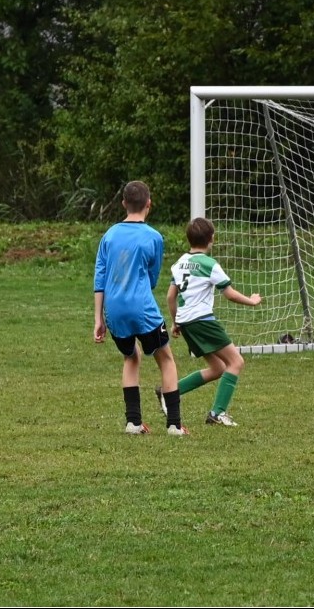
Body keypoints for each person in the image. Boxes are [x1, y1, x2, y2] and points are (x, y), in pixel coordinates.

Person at [93, 180, 188, 436]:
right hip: (142, 309)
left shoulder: (109, 235)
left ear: (124, 203)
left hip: (114, 312)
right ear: (149, 204)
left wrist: (98, 318)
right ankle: (174, 425)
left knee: (131, 357)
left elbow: (99, 278)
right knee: (166, 359)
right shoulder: (154, 237)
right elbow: (153, 276)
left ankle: (133, 422)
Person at [163, 217, 263, 427]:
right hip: (202, 321)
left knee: (217, 368)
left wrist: (175, 322)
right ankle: (217, 413)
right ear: (211, 239)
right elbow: (229, 294)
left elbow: (171, 297)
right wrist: (252, 301)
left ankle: (170, 392)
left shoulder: (179, 263)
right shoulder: (210, 264)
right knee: (236, 362)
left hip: (187, 322)